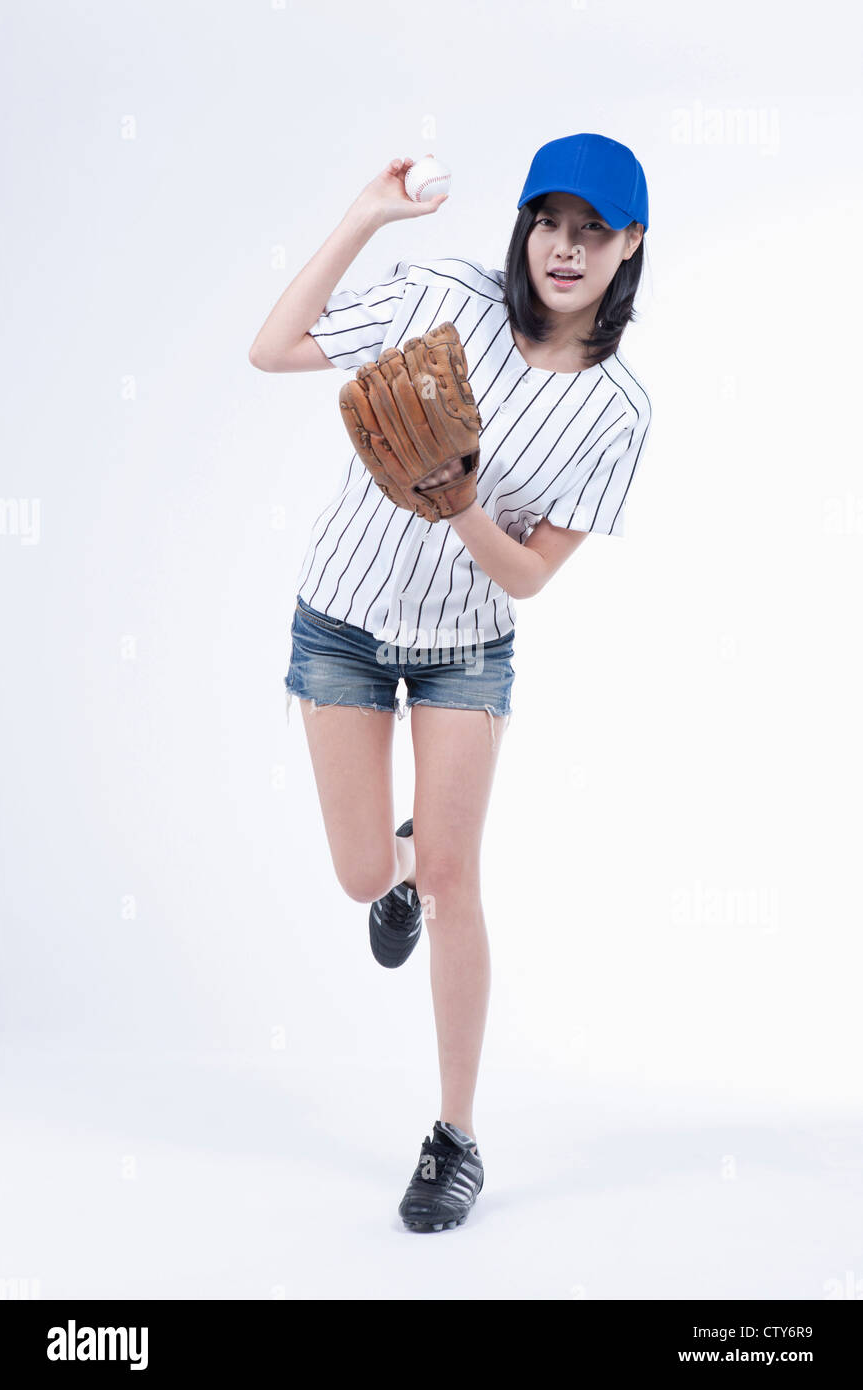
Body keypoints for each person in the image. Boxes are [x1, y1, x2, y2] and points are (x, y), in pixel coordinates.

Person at [249, 133, 652, 1233]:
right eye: (546, 223)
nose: (563, 250)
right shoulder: (441, 298)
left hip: (464, 649)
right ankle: (397, 865)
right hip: (338, 619)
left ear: (627, 247)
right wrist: (366, 213)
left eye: (590, 230)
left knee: (453, 888)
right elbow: (270, 348)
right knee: (359, 875)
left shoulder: (616, 414)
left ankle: (454, 1136)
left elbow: (522, 576)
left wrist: (457, 494)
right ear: (522, 229)